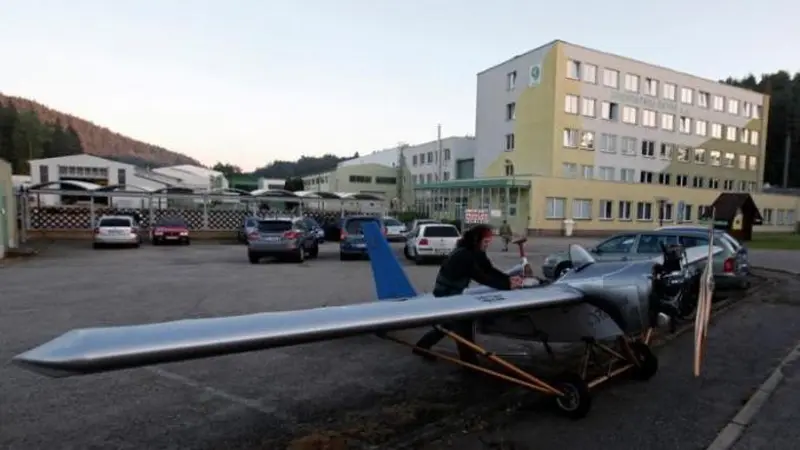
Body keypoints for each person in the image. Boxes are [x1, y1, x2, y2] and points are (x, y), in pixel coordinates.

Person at [413, 224, 524, 364]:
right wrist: (507, 285)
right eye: (485, 242)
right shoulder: (463, 255)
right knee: (463, 323)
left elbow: (488, 269)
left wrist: (507, 280)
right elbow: (480, 277)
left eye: (489, 242)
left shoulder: (475, 251)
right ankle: (470, 364)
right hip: (446, 292)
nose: (487, 245)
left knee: (449, 324)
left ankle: (422, 347)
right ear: (476, 240)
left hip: (454, 291)